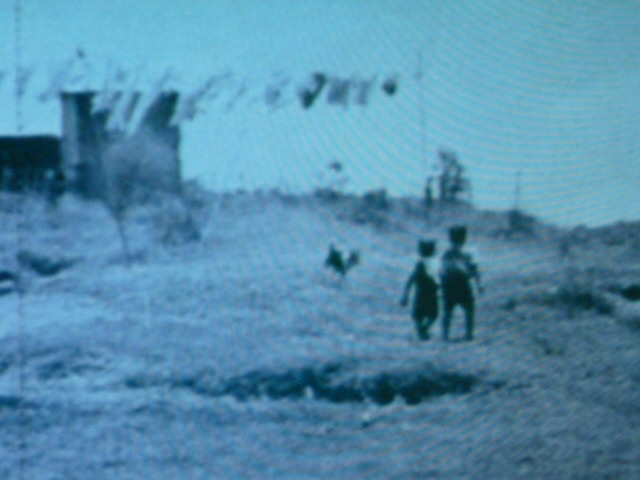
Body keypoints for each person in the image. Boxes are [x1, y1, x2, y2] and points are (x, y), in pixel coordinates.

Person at [439, 225, 483, 341]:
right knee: (469, 309)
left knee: (448, 311)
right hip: (462, 284)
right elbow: (474, 270)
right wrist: (479, 285)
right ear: (464, 239)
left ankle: (445, 334)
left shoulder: (447, 254)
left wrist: (441, 285)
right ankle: (468, 334)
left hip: (450, 285)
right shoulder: (466, 254)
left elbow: (442, 271)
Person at [400, 239, 439, 340]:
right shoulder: (432, 265)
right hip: (430, 294)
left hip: (421, 294)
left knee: (419, 316)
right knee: (432, 315)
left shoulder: (420, 265)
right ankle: (424, 329)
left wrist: (405, 295)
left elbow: (410, 280)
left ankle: (422, 330)